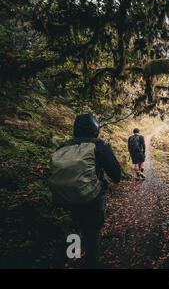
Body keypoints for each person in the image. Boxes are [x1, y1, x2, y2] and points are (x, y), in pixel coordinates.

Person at [49, 114, 121, 268]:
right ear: (95, 128)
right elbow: (116, 175)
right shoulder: (99, 145)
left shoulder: (62, 147)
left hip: (64, 195)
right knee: (92, 229)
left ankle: (71, 257)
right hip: (91, 197)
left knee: (74, 225)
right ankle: (92, 262)